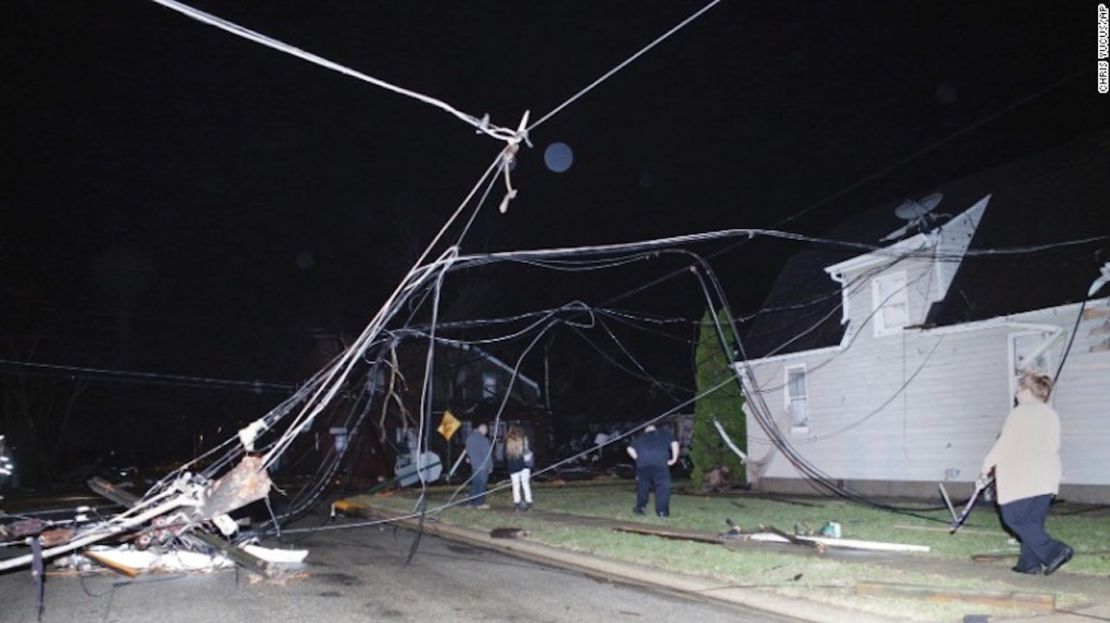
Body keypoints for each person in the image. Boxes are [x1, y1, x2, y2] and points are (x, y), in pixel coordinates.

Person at [979, 372, 1073, 575]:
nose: (1016, 394)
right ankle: (1028, 564)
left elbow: (1006, 442)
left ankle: (1054, 550)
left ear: (1028, 391)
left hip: (1023, 478)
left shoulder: (1021, 412)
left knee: (1014, 518)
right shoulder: (1050, 414)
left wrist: (988, 463)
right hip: (1047, 478)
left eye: (1019, 390)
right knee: (1032, 522)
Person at [627, 423, 679, 517]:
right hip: (660, 463)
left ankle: (641, 508)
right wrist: (674, 459)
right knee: (663, 488)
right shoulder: (664, 435)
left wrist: (637, 458)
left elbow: (629, 448)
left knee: (642, 487)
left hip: (643, 465)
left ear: (645, 430)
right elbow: (675, 443)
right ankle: (662, 512)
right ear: (655, 429)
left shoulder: (640, 437)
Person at [505, 425, 534, 511]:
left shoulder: (508, 441)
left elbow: (506, 455)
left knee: (515, 486)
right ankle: (529, 503)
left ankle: (517, 504)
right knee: (525, 484)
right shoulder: (524, 440)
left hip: (513, 465)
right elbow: (527, 451)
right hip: (524, 465)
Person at [465, 423, 493, 509]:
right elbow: (487, 454)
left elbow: (468, 451)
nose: (486, 433)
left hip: (474, 466)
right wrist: (490, 466)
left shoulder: (469, 438)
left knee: (475, 484)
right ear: (483, 430)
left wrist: (470, 459)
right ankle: (480, 503)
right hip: (483, 466)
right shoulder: (484, 440)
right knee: (481, 484)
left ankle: (472, 502)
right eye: (486, 431)